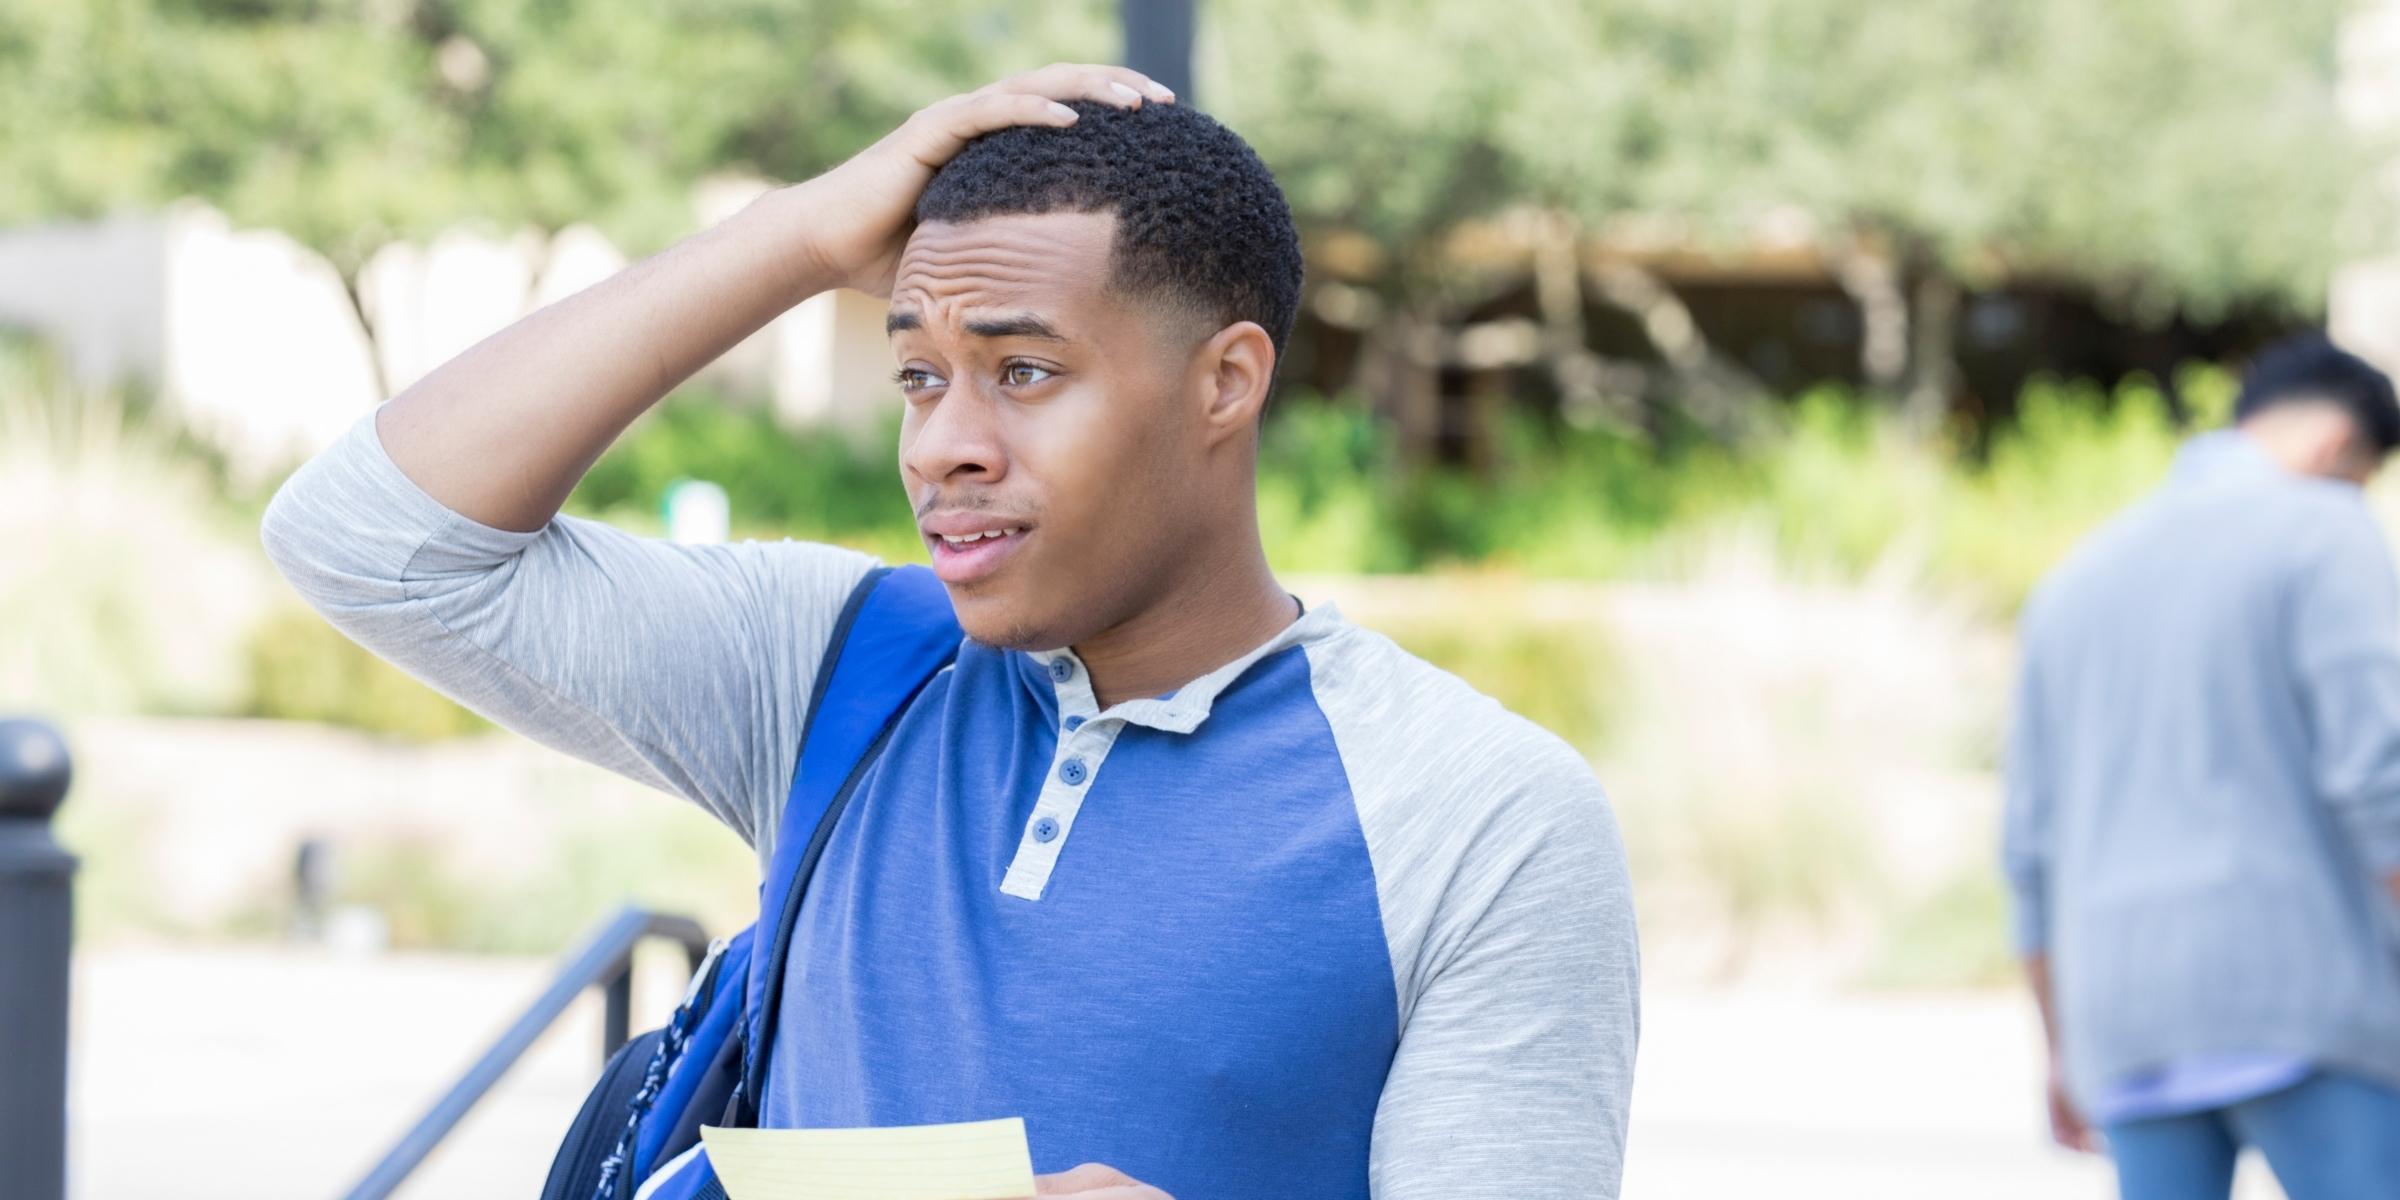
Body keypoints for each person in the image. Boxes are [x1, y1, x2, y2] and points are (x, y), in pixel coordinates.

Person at [262, 65, 1638, 1199]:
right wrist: (801, 239)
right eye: (919, 375)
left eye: (1024, 372)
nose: (945, 448)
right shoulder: (837, 661)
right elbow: (370, 540)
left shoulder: (1484, 817)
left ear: (1226, 383)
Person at [2002, 334, 2400, 1199]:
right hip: (2304, 999)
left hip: (2128, 1019)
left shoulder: (2078, 574)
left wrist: (2061, 1045)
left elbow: (2028, 846)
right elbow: (2380, 779)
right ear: (2339, 447)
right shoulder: (2325, 527)